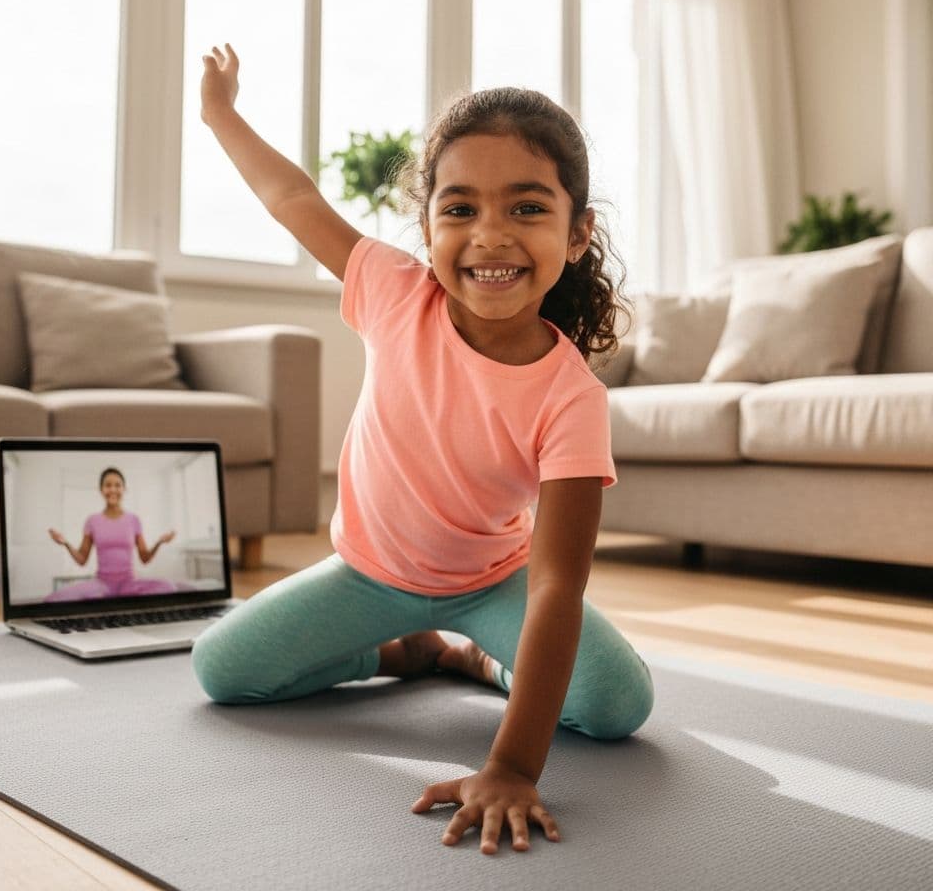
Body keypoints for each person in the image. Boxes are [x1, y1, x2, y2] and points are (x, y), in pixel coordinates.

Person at [192, 43, 654, 855]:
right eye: (460, 209)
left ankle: (480, 659)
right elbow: (292, 195)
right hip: (368, 573)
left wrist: (510, 764)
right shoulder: (393, 293)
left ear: (578, 234)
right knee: (223, 671)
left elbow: (555, 586)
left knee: (618, 706)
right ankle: (404, 652)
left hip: (494, 584)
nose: (490, 237)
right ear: (428, 224)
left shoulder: (572, 397)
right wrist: (221, 114)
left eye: (527, 209)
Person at [45, 467, 184, 602]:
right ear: (101, 490)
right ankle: (106, 599)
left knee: (168, 587)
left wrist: (159, 543)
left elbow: (145, 558)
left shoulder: (133, 520)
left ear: (124, 489)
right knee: (54, 598)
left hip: (129, 584)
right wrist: (66, 544)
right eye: (108, 485)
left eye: (117, 485)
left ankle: (112, 600)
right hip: (102, 585)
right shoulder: (92, 520)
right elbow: (82, 559)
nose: (113, 489)